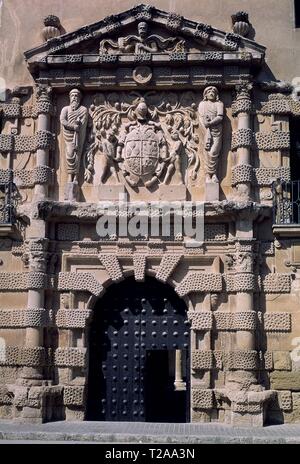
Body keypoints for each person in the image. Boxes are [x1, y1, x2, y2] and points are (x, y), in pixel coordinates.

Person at [60, 89, 88, 183]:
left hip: (79, 135)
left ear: (80, 98)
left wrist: (78, 126)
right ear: (70, 97)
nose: (74, 97)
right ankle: (69, 175)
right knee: (69, 154)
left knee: (77, 154)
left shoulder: (83, 110)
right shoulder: (65, 109)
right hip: (68, 135)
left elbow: (83, 123)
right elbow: (62, 120)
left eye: (76, 96)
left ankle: (75, 177)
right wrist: (73, 126)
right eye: (73, 96)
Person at [198, 86, 224, 183]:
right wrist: (206, 126)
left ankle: (213, 173)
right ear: (205, 94)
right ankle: (209, 175)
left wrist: (210, 123)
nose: (211, 92)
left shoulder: (219, 104)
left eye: (213, 91)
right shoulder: (202, 104)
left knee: (214, 152)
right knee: (206, 153)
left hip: (217, 130)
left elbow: (220, 117)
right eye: (209, 91)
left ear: (216, 95)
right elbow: (201, 118)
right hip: (205, 130)